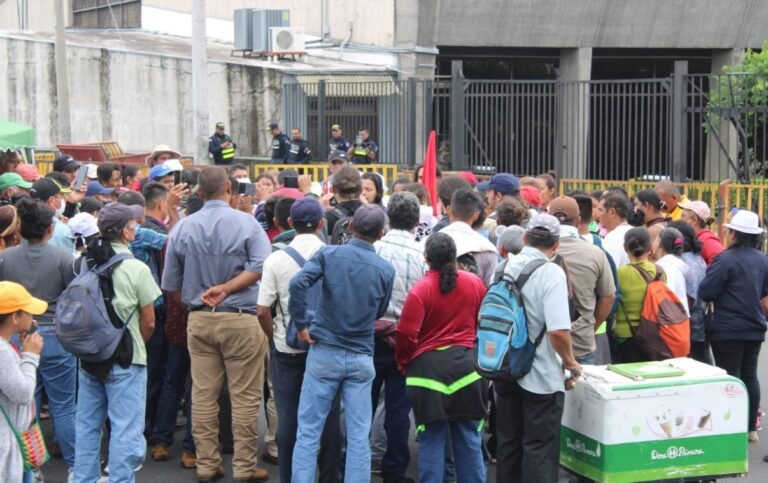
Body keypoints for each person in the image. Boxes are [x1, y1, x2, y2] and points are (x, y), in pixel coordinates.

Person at [162, 167, 272, 482]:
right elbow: (261, 266)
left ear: (198, 193)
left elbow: (171, 285)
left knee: (203, 395)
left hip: (199, 318)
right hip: (241, 318)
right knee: (245, 397)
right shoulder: (247, 223)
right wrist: (228, 288)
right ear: (229, 189)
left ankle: (207, 464)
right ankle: (244, 466)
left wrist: (197, 303)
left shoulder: (182, 228)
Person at [289, 204, 395, 483]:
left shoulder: (328, 254)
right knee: (359, 436)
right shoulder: (385, 269)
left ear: (350, 226)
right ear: (381, 234)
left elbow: (298, 284)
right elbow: (379, 310)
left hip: (324, 351)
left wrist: (301, 325)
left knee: (309, 431)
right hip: (361, 355)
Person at [73, 203, 162, 482]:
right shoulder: (136, 268)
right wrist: (137, 343)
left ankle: (83, 478)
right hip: (126, 356)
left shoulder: (85, 262)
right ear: (126, 232)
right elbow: (149, 321)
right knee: (125, 428)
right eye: (134, 225)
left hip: (90, 353)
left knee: (87, 425)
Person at [256, 196, 342, 483]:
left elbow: (262, 309)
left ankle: (290, 476)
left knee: (289, 417)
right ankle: (329, 477)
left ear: (290, 222)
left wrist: (274, 336)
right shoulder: (334, 256)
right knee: (329, 417)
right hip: (326, 346)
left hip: (287, 347)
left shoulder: (276, 259)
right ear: (321, 223)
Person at [495, 213, 581, 483]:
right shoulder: (551, 273)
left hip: (504, 367)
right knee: (539, 449)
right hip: (541, 375)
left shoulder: (504, 267)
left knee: (508, 444)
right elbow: (558, 331)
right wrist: (570, 362)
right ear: (556, 245)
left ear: (524, 238)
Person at [395, 232, 486, 483]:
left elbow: (406, 334)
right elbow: (482, 320)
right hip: (468, 371)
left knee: (431, 440)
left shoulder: (420, 290)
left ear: (426, 258)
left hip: (427, 375)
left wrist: (404, 362)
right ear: (455, 257)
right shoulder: (475, 283)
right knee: (469, 440)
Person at [0, 197, 78, 477]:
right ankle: (75, 466)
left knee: (23, 404)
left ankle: (28, 464)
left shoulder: (6, 257)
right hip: (54, 334)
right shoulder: (64, 258)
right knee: (64, 405)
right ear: (50, 229)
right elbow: (75, 295)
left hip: (15, 335)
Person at [698, 209, 768, 445]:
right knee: (749, 375)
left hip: (727, 327)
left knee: (730, 376)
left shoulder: (726, 259)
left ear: (734, 234)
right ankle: (750, 427)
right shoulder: (762, 259)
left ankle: (732, 427)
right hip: (755, 325)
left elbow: (707, 290)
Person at [372, 192, 426, 483]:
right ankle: (394, 468)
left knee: (362, 404)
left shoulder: (373, 249)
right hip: (406, 338)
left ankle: (354, 462)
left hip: (371, 334)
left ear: (388, 218)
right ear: (417, 220)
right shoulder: (422, 255)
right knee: (398, 408)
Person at [548, 196, 616, 365]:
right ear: (578, 220)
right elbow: (608, 297)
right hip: (581, 343)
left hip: (546, 344)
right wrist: (590, 327)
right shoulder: (595, 253)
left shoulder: (539, 252)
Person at [0, 282, 46, 483]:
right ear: (14, 317)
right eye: (28, 311)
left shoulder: (5, 346)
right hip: (7, 446)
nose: (33, 316)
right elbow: (23, 394)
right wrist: (30, 356)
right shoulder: (2, 351)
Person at [615, 227, 661, 363]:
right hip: (652, 333)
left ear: (625, 247)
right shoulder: (659, 272)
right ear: (649, 248)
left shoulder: (619, 273)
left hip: (624, 335)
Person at [668, 220, 710, 364]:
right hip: (701, 323)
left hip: (692, 325)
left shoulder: (683, 263)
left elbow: (689, 298)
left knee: (697, 363)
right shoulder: (697, 257)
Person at [438, 189, 498, 286]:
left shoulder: (430, 242)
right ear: (476, 215)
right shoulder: (487, 248)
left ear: (448, 210)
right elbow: (491, 287)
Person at [30, 178, 76, 253]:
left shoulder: (23, 220)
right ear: (51, 200)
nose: (64, 200)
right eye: (61, 196)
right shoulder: (62, 231)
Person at [652, 227, 690, 315]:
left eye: (655, 239)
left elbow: (665, 300)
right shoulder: (674, 265)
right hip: (679, 319)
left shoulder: (665, 267)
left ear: (659, 242)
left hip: (668, 320)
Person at [679, 200, 724, 266]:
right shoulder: (697, 237)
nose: (680, 219)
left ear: (694, 220)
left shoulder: (707, 239)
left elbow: (720, 260)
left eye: (683, 216)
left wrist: (709, 272)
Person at [323, 165, 364, 235]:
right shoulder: (373, 215)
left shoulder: (326, 219)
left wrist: (321, 209)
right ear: (361, 189)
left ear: (333, 190)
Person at [599, 191, 633, 268]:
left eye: (601, 210)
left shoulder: (612, 239)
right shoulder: (634, 232)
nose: (598, 214)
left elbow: (610, 270)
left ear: (612, 212)